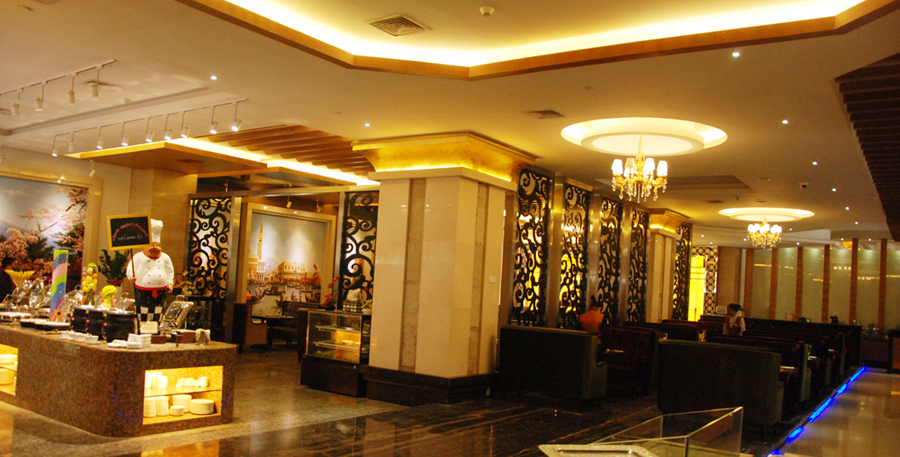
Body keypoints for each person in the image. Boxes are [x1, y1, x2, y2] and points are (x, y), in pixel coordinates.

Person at [126, 219, 174, 322]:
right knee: (143, 309)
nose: (155, 248)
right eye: (152, 245)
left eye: (157, 245)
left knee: (158, 309)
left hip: (161, 291)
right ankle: (142, 325)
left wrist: (170, 283)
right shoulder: (138, 256)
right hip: (142, 290)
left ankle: (156, 325)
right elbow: (131, 268)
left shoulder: (165, 257)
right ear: (145, 246)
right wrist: (131, 276)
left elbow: (169, 271)